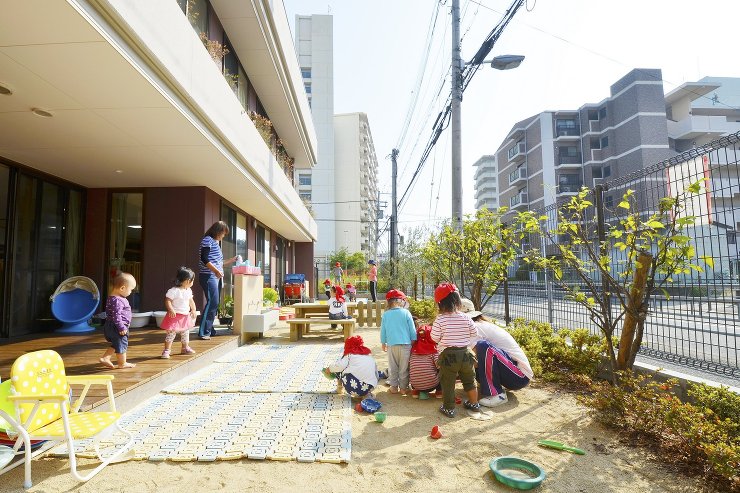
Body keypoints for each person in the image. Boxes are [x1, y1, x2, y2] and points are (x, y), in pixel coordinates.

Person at [461, 298, 533, 407]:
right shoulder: (480, 324)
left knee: (482, 347)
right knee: (471, 356)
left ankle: (497, 395)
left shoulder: (475, 328)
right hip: (512, 372)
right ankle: (494, 387)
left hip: (520, 376)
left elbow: (471, 358)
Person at [430, 282, 481, 417]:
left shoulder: (440, 320)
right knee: (470, 380)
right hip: (465, 354)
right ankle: (474, 403)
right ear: (458, 300)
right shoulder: (466, 317)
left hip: (448, 357)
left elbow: (434, 337)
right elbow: (474, 332)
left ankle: (449, 408)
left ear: (440, 304)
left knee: (448, 382)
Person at [198, 221, 238, 340]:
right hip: (209, 276)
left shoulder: (215, 243)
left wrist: (232, 260)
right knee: (212, 302)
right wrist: (215, 271)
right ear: (218, 231)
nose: (223, 236)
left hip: (215, 276)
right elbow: (204, 259)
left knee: (214, 304)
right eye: (223, 233)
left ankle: (210, 330)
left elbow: (218, 262)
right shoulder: (207, 240)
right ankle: (204, 332)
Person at [380, 289, 416, 396]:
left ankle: (394, 387)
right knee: (404, 368)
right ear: (400, 301)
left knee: (392, 367)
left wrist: (383, 342)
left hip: (391, 345)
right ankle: (404, 388)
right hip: (406, 345)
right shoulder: (406, 313)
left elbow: (383, 330)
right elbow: (412, 330)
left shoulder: (386, 315)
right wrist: (413, 341)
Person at [99, 272, 137, 369]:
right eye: (131, 290)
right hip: (117, 326)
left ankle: (105, 358)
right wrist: (121, 327)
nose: (131, 292)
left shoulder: (112, 298)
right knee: (122, 344)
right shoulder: (118, 300)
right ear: (122, 288)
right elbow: (116, 315)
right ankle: (122, 363)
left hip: (111, 325)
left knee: (117, 343)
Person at [160, 267, 198, 359]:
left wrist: (193, 310)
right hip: (174, 316)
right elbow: (168, 301)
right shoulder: (174, 291)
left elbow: (191, 301)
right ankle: (167, 350)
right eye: (192, 280)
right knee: (171, 333)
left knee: (185, 333)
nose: (192, 283)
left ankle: (185, 348)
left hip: (184, 316)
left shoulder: (188, 291)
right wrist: (171, 309)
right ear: (187, 281)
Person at [409, 321, 442, 399]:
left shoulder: (413, 350)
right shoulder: (434, 350)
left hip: (415, 384)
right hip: (431, 385)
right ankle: (439, 392)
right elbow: (439, 366)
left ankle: (415, 392)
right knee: (442, 370)